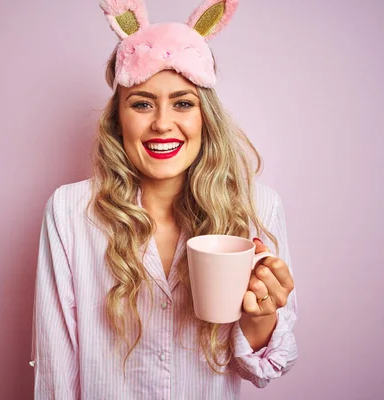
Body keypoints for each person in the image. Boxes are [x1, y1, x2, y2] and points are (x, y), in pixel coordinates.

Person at [30, 0, 298, 398]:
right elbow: (55, 367)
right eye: (142, 103)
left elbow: (263, 369)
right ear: (118, 119)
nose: (161, 123)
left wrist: (263, 316)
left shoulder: (258, 207)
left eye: (183, 103)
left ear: (205, 116)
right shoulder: (69, 212)